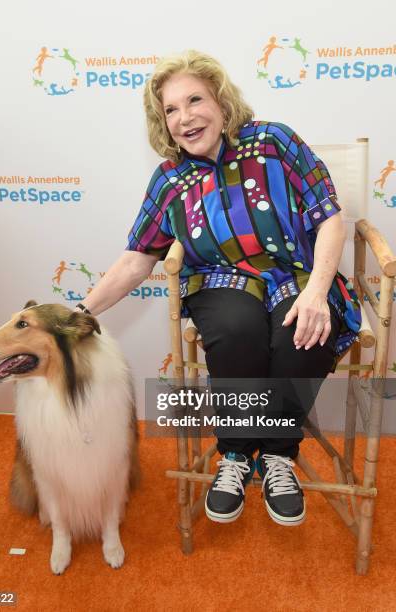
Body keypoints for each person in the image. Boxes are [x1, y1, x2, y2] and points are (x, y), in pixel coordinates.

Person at [75, 50, 362, 527]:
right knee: (234, 329)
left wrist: (316, 292)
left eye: (194, 100)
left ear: (222, 102)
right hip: (220, 278)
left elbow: (330, 216)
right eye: (170, 109)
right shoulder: (171, 177)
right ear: (162, 122)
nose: (184, 117)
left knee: (304, 332)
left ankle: (275, 455)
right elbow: (137, 257)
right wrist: (82, 310)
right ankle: (234, 454)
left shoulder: (274, 141)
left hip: (295, 273)